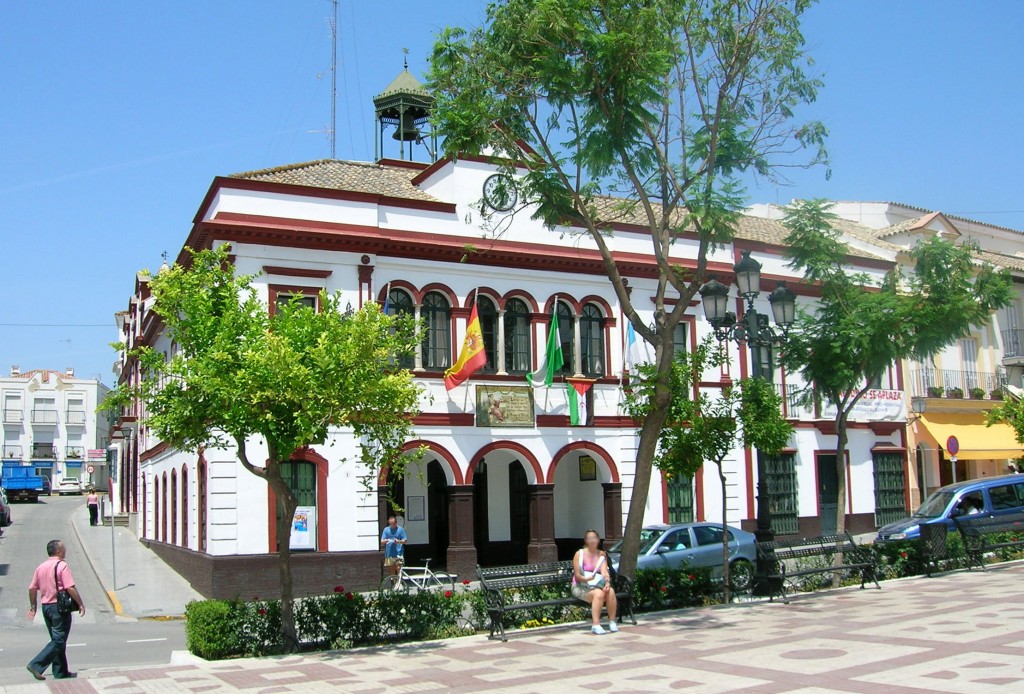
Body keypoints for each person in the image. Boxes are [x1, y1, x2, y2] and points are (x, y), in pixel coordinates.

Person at [26, 539, 85, 681]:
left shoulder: (41, 567)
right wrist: (80, 604)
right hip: (59, 608)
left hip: (46, 608)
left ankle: (60, 671)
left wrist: (33, 607)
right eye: (64, 549)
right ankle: (36, 664)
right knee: (59, 640)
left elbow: (32, 588)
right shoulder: (62, 566)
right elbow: (70, 587)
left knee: (57, 639)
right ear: (58, 551)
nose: (66, 551)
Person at [572, 529, 618, 635]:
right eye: (589, 538)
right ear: (586, 540)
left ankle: (612, 621)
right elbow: (577, 576)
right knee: (598, 594)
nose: (592, 540)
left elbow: (604, 572)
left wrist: (607, 583)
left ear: (598, 540)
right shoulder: (579, 554)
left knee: (610, 591)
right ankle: (596, 624)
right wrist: (586, 579)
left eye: (594, 538)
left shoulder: (601, 554)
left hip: (597, 585)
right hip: (580, 586)